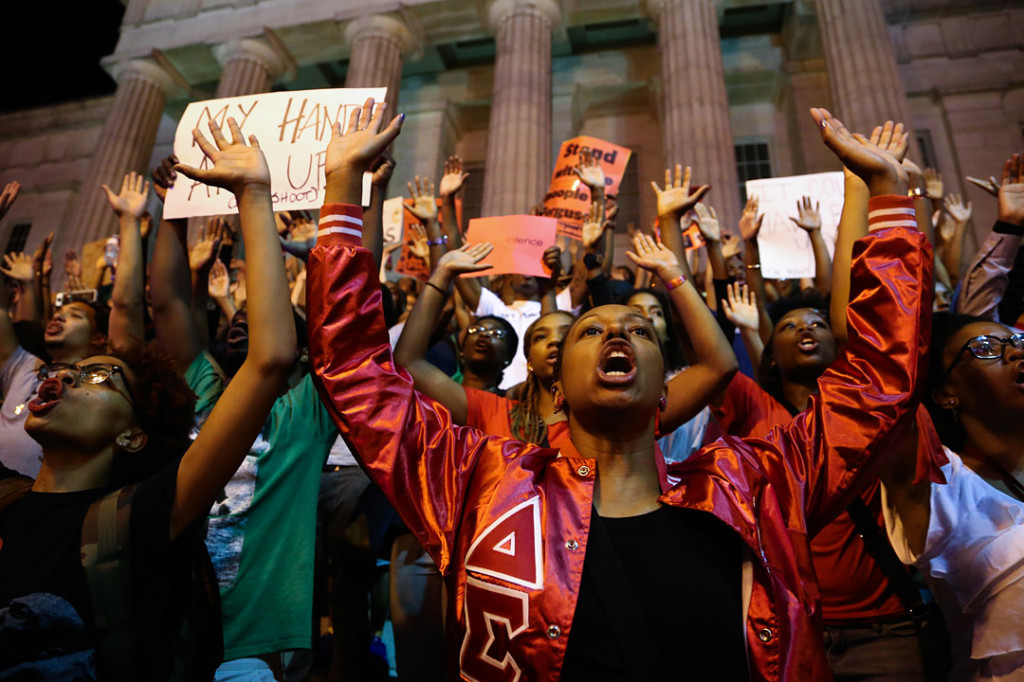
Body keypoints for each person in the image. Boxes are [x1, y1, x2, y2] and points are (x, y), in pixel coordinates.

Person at [307, 100, 931, 680]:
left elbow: (876, 384)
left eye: (639, 330)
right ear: (556, 384)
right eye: (591, 330)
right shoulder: (477, 484)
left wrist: (887, 199)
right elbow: (359, 374)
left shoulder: (756, 485)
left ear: (668, 385)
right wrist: (342, 196)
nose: (618, 334)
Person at [0, 116, 296, 680]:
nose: (59, 379)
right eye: (69, 371)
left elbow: (269, 362)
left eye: (99, 379)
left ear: (132, 434)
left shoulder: (144, 516)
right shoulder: (7, 499)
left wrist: (254, 195)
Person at [880, 151, 1024, 681]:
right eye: (992, 349)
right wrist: (883, 199)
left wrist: (1008, 227)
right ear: (945, 395)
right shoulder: (939, 484)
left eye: (1020, 341)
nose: (1016, 351)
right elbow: (883, 363)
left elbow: (977, 329)